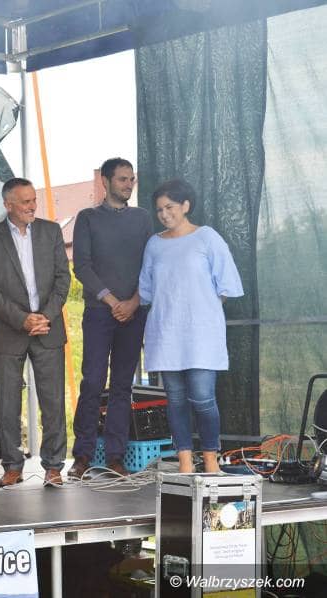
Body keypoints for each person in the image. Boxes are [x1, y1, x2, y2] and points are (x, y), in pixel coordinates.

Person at [138, 179, 243, 474]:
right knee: (174, 400)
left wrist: (203, 311)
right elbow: (146, 290)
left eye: (169, 207)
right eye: (159, 209)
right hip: (165, 332)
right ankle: (185, 460)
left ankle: (210, 459)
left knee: (203, 397)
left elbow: (226, 284)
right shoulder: (154, 244)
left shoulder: (207, 238)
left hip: (202, 335)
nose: (164, 214)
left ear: (185, 205)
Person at [0, 178, 71, 488]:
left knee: (53, 402)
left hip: (48, 328)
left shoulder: (51, 231)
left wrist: (44, 317)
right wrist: (23, 320)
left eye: (34, 200)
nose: (32, 206)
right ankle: (12, 466)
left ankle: (54, 467)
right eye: (25, 201)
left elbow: (63, 279)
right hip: (9, 331)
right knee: (8, 403)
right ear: (8, 205)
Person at [68, 158, 153, 479]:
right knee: (92, 382)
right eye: (122, 179)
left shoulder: (142, 218)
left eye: (132, 179)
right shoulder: (87, 218)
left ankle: (116, 457)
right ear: (105, 181)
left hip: (134, 313)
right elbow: (82, 266)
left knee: (122, 386)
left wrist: (133, 302)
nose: (129, 184)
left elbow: (150, 265)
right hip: (99, 313)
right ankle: (82, 456)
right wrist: (113, 301)